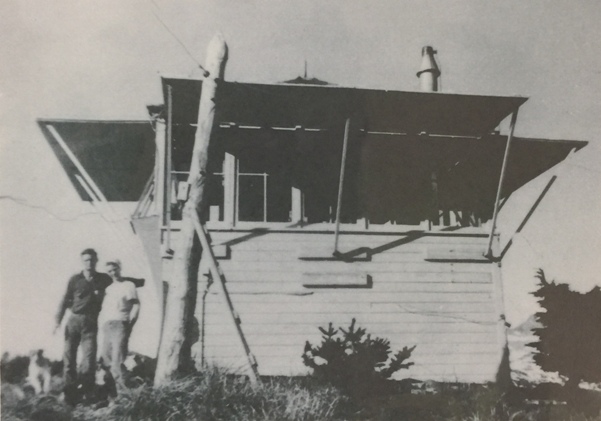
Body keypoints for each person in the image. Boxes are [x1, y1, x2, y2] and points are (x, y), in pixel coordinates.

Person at [54, 248, 112, 405]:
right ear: (82, 261)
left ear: (96, 261)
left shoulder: (103, 279)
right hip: (73, 321)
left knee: (89, 360)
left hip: (90, 323)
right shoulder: (75, 280)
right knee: (69, 359)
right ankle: (70, 395)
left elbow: (119, 280)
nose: (89, 263)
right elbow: (65, 300)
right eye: (86, 260)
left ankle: (87, 393)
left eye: (92, 260)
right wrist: (57, 321)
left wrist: (140, 282)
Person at [99, 260, 140, 389]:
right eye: (109, 271)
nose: (113, 273)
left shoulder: (128, 285)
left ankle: (124, 394)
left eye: (114, 269)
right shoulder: (108, 289)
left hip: (120, 323)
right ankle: (112, 392)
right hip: (108, 325)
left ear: (119, 268)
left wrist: (130, 323)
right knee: (106, 358)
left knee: (118, 359)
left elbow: (136, 305)